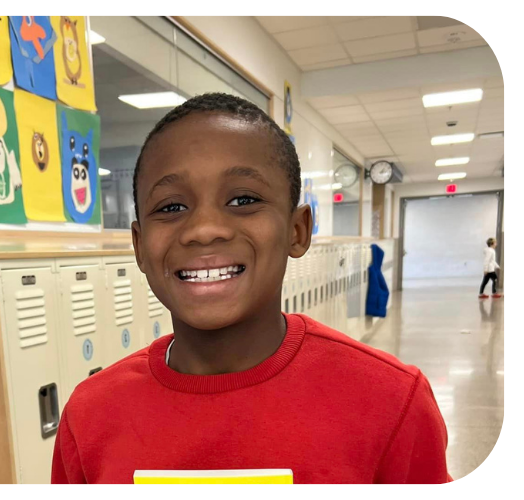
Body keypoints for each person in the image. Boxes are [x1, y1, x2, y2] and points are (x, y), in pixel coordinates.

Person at [51, 93, 451, 484]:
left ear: (297, 231)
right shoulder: (90, 416)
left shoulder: (391, 402)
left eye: (243, 199)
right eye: (171, 207)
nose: (204, 230)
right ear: (139, 246)